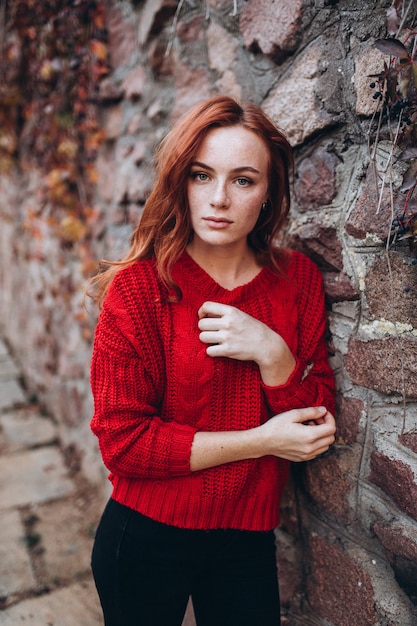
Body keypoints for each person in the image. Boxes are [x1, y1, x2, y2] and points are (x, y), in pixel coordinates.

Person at [88, 95, 336, 626]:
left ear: (269, 193)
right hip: (144, 536)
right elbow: (124, 442)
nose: (219, 198)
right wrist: (262, 440)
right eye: (202, 175)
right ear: (181, 181)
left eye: (244, 180)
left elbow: (315, 426)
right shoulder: (138, 291)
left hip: (246, 542)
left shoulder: (298, 282)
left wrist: (275, 354)